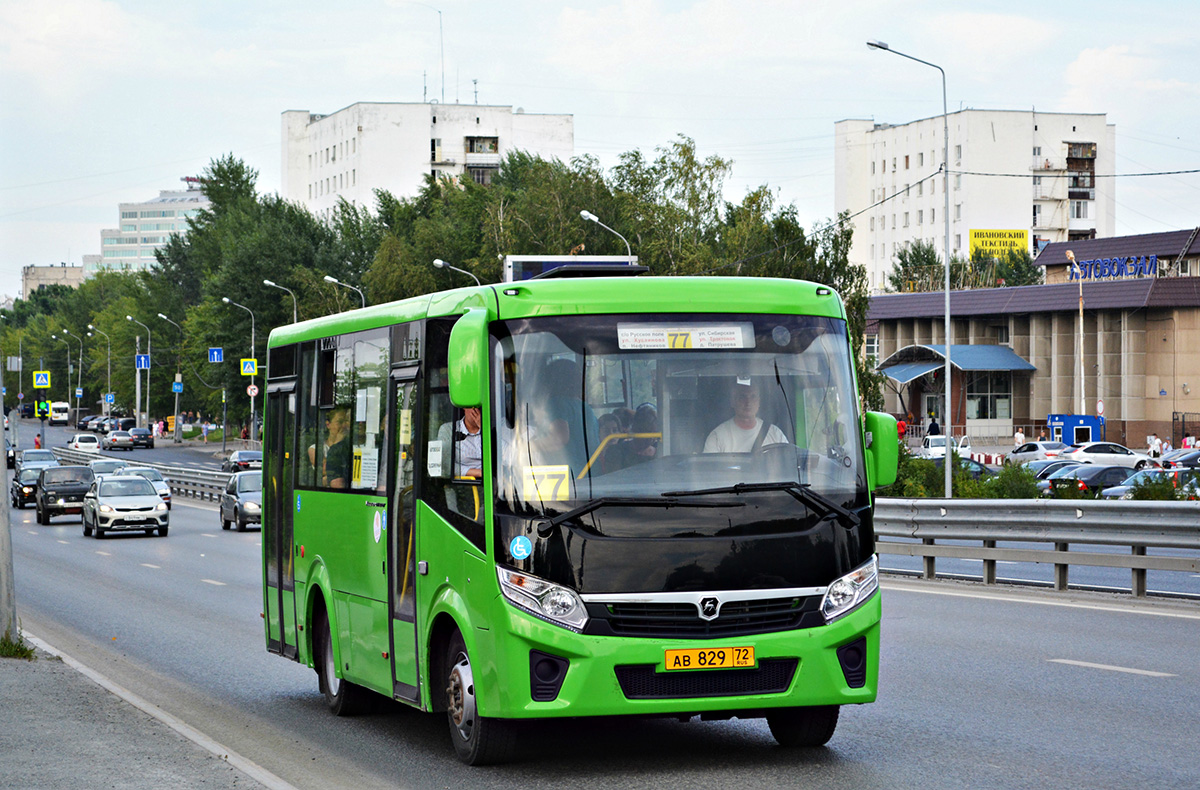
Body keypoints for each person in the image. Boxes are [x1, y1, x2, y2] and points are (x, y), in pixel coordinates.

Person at [703, 381, 786, 453]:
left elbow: (789, 463)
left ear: (759, 402)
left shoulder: (775, 434)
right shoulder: (717, 436)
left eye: (753, 397)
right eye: (742, 397)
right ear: (733, 402)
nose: (748, 402)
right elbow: (708, 469)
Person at [438, 406, 483, 478]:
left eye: (480, 408)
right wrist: (479, 473)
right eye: (474, 407)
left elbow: (506, 456)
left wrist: (485, 428)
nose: (478, 412)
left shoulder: (500, 425)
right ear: (464, 407)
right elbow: (445, 464)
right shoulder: (449, 429)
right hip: (463, 484)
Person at [314, 407, 352, 488]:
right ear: (328, 424)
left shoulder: (347, 446)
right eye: (340, 422)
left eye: (346, 422)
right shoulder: (316, 448)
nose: (344, 426)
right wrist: (337, 442)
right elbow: (329, 470)